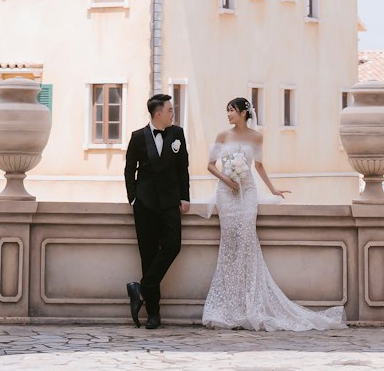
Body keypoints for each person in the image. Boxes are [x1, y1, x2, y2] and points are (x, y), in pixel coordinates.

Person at [202, 95, 344, 331]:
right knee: (230, 243)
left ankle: (250, 303)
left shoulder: (257, 137)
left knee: (247, 239)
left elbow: (258, 166)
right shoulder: (222, 136)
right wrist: (227, 180)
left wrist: (273, 189)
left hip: (247, 192)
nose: (228, 115)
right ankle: (229, 306)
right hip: (226, 193)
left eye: (232, 111)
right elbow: (210, 165)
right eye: (227, 111)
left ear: (243, 113)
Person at [124, 91, 190, 329]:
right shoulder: (138, 137)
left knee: (173, 246)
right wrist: (133, 199)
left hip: (170, 202)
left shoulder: (178, 134)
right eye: (170, 110)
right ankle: (153, 312)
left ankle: (140, 288)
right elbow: (129, 169)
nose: (173, 113)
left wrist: (185, 196)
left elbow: (183, 168)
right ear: (158, 113)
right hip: (145, 204)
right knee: (148, 255)